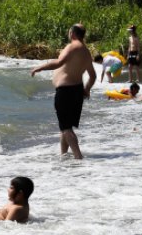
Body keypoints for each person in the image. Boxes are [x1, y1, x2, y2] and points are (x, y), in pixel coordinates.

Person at [31, 24, 96, 160]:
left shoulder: (72, 46)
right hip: (77, 90)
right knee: (65, 127)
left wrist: (40, 67)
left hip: (66, 91)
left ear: (72, 33)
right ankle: (64, 156)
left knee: (66, 128)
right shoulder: (85, 51)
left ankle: (78, 157)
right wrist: (86, 90)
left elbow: (59, 63)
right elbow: (93, 75)